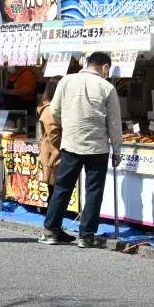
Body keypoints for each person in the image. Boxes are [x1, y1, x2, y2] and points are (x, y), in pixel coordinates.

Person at [38, 50, 122, 248]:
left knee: (63, 187)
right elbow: (114, 122)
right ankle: (86, 236)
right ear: (105, 67)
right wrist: (117, 149)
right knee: (94, 191)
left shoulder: (66, 81)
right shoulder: (107, 87)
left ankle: (51, 231)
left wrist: (69, 124)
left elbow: (55, 110)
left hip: (71, 143)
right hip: (97, 147)